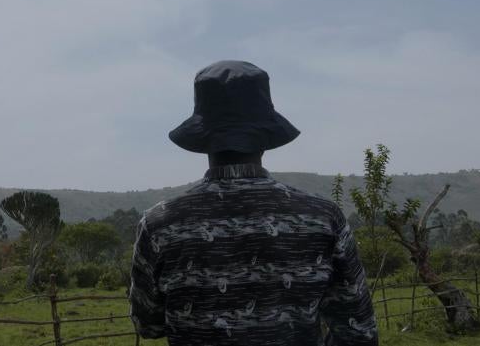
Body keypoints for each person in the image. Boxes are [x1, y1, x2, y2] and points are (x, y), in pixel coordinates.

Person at [129, 60, 378, 345]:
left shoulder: (160, 223)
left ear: (203, 137)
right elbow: (358, 331)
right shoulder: (322, 218)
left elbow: (147, 325)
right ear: (266, 135)